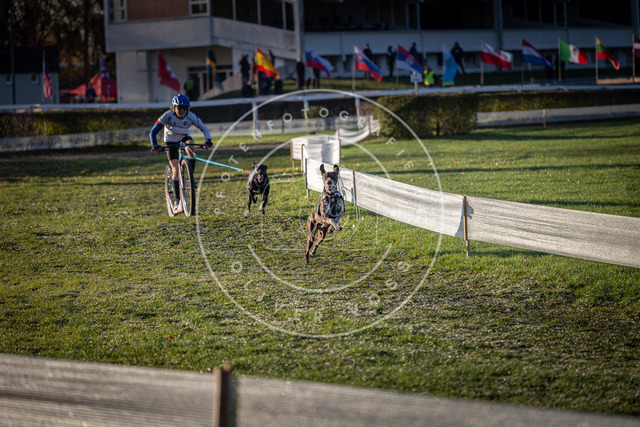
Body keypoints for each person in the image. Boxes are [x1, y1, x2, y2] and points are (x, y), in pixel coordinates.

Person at [149, 94, 212, 213]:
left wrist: (208, 140)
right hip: (170, 141)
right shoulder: (167, 115)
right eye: (179, 108)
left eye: (185, 108)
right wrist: (155, 145)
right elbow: (153, 131)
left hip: (184, 138)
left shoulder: (191, 116)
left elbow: (204, 128)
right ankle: (177, 201)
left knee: (191, 145)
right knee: (175, 170)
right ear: (173, 108)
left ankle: (190, 177)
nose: (182, 110)